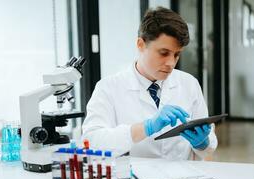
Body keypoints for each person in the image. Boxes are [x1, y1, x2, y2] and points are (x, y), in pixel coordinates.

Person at [82, 7, 217, 160]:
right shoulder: (108, 88)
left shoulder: (189, 84)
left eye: (177, 54)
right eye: (164, 53)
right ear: (140, 44)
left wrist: (202, 143)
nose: (171, 63)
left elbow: (208, 145)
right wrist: (145, 127)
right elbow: (92, 141)